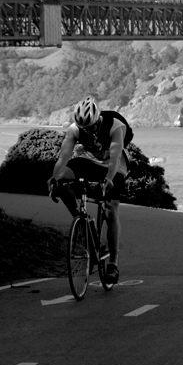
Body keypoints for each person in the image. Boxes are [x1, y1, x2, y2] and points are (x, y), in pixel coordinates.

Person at [48, 97, 131, 286]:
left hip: (115, 165)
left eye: (90, 128)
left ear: (97, 121)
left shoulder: (115, 126)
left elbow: (116, 155)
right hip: (90, 160)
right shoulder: (75, 129)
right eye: (82, 128)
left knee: (111, 208)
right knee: (61, 181)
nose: (87, 132)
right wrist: (53, 178)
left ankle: (113, 264)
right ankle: (82, 223)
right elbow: (64, 157)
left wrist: (109, 178)